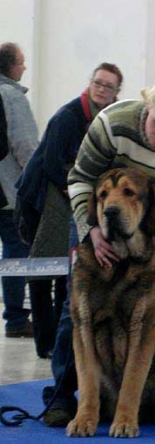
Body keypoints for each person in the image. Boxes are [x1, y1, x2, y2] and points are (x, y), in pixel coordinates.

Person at [42, 78, 155, 433]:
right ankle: (62, 401)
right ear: (146, 108)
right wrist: (90, 230)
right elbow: (79, 179)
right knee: (73, 314)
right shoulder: (112, 123)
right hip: (95, 215)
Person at [15, 63, 123, 359]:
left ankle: (65, 339)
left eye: (108, 86)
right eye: (98, 83)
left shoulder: (107, 119)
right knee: (42, 268)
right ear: (90, 83)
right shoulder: (68, 116)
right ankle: (46, 342)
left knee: (69, 268)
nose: (101, 89)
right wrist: (80, 193)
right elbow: (51, 163)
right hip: (43, 198)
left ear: (116, 92)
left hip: (74, 198)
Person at [0, 42, 38, 338]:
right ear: (11, 66)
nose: (24, 67)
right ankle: (15, 320)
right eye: (22, 62)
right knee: (16, 251)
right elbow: (25, 146)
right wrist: (34, 180)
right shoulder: (12, 97)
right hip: (8, 191)